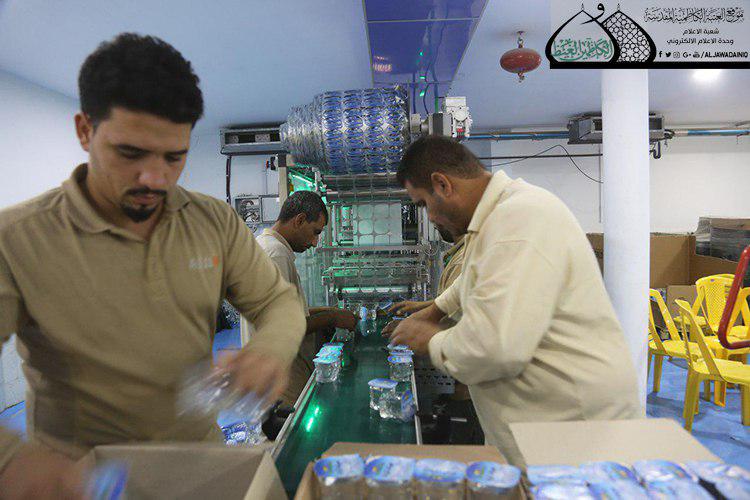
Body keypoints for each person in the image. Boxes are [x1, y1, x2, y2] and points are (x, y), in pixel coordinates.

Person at [0, 33, 306, 498]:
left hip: (198, 464)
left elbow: (277, 302)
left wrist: (268, 351)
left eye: (174, 156)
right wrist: (12, 460)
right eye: (130, 154)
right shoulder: (18, 239)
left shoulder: (212, 221)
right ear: (84, 130)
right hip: (80, 480)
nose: (154, 178)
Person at [389, 136, 642, 465]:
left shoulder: (519, 218)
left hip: (574, 433)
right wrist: (436, 309)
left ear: (442, 184)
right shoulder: (496, 218)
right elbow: (476, 277)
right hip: (547, 429)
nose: (431, 217)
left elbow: (494, 349)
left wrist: (430, 340)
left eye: (424, 204)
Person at [254, 191, 357, 405]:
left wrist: (331, 311)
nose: (315, 242)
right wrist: (332, 318)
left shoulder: (266, 247)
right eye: (315, 232)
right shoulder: (275, 254)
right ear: (299, 220)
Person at [388, 225, 466, 316]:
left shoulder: (460, 261)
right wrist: (418, 307)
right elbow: (450, 301)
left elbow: (454, 308)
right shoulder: (459, 254)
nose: (435, 226)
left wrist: (418, 317)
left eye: (436, 220)